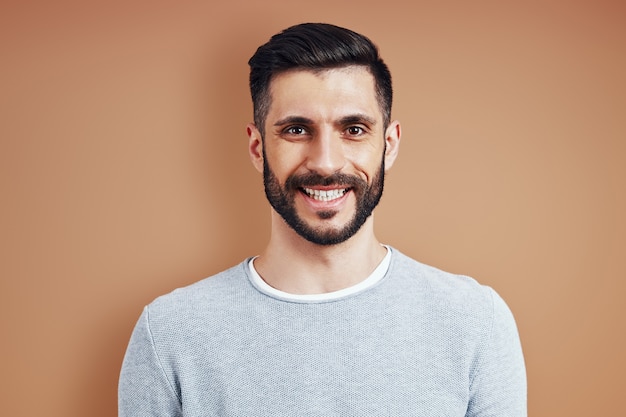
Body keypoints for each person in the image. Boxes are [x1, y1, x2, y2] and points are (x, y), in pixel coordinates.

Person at [118, 23, 526, 416]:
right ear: (258, 148)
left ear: (389, 145)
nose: (326, 161)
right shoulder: (170, 334)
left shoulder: (475, 322)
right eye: (296, 130)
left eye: (353, 128)